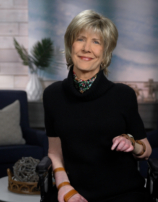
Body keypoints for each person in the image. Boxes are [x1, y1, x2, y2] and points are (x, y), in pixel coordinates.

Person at [43, 9, 152, 202]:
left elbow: (146, 150)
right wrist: (64, 186)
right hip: (72, 190)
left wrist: (132, 143)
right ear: (70, 44)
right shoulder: (52, 95)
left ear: (106, 51)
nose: (87, 48)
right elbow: (54, 151)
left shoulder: (123, 94)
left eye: (96, 42)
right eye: (80, 39)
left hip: (123, 192)